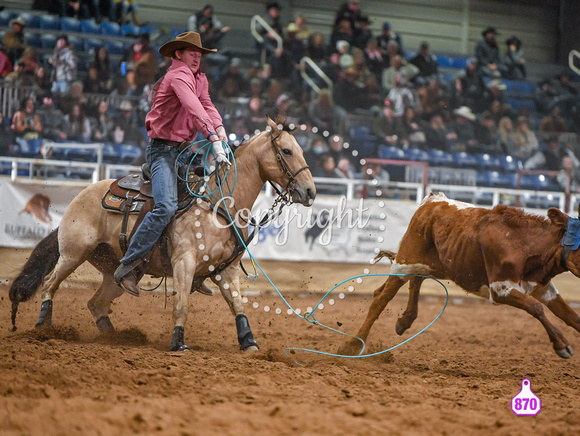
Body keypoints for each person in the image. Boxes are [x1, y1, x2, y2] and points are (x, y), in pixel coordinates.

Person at [114, 31, 229, 296]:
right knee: (165, 207)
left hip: (183, 152)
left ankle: (196, 270)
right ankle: (128, 266)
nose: (197, 56)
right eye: (192, 52)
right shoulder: (177, 76)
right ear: (178, 54)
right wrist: (212, 137)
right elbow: (194, 108)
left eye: (199, 53)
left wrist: (220, 129)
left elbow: (207, 106)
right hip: (162, 151)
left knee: (204, 205)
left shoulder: (199, 79)